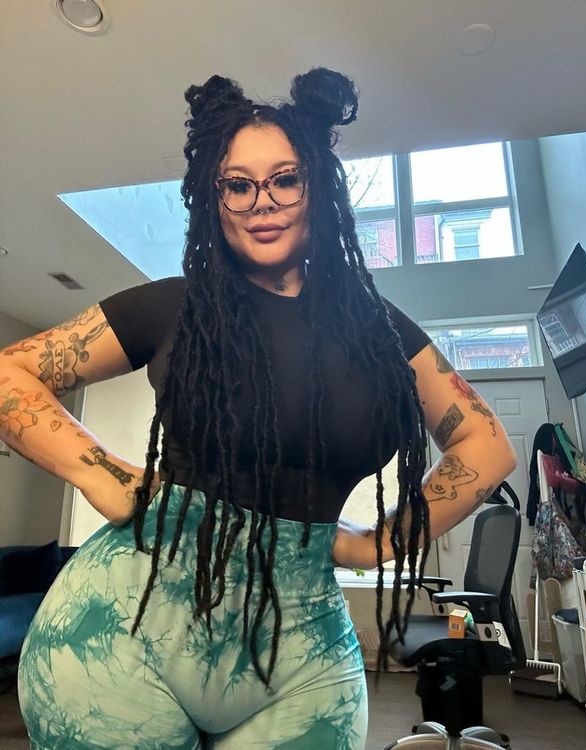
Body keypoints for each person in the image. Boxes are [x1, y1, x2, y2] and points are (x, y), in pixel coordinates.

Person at [0, 68, 516, 749]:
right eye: (237, 185)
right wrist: (103, 474)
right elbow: (12, 373)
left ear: (317, 187)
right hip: (122, 634)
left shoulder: (382, 332)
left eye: (285, 179)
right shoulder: (173, 304)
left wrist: (379, 543)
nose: (261, 201)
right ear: (213, 200)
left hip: (304, 649)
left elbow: (485, 444)